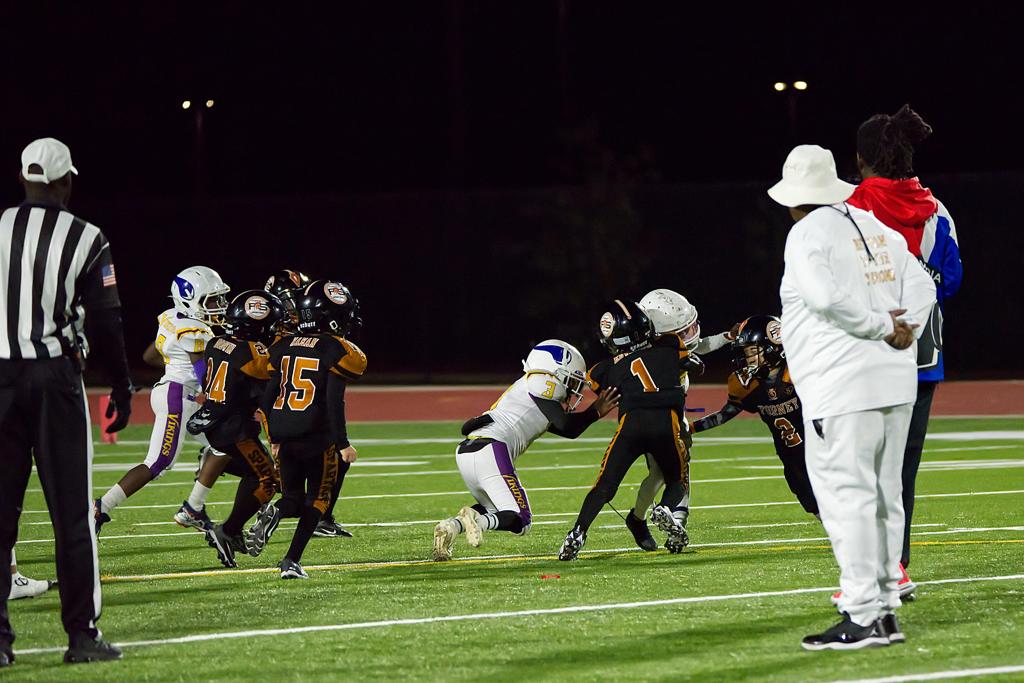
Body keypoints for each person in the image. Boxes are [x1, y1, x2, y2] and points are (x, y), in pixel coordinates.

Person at [769, 144, 936, 650]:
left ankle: (863, 612)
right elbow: (923, 285)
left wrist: (879, 326)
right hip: (895, 382)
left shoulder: (806, 234)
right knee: (885, 495)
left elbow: (823, 298)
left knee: (849, 498)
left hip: (841, 385)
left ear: (792, 198)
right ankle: (884, 608)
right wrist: (906, 327)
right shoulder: (873, 225)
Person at [0, 137, 133, 665]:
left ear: (23, 178)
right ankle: (81, 635)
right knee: (72, 514)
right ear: (65, 182)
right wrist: (121, 384)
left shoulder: (0, 227)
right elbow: (107, 317)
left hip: (0, 377)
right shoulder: (86, 236)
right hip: (55, 379)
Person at [847, 105, 963, 587]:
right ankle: (896, 562)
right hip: (922, 351)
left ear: (860, 159)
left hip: (865, 350)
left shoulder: (852, 207)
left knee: (859, 462)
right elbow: (951, 280)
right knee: (902, 463)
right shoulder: (937, 209)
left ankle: (871, 565)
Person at [433, 340, 619, 561]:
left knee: (496, 510)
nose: (573, 389)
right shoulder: (542, 381)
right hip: (491, 449)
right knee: (521, 519)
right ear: (553, 370)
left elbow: (569, 430)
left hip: (469, 451)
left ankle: (450, 527)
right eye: (571, 380)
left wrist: (594, 413)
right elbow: (566, 426)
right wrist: (595, 411)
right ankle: (477, 522)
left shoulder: (530, 391)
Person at [558, 300, 701, 561]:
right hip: (665, 424)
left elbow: (602, 386)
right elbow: (691, 363)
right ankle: (665, 508)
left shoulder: (604, 369)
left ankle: (577, 532)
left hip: (630, 428)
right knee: (676, 481)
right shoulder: (671, 346)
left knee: (604, 486)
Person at [95, 266, 230, 533]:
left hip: (176, 393)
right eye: (212, 301)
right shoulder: (194, 329)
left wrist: (175, 365)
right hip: (177, 397)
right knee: (158, 463)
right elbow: (205, 376)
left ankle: (193, 508)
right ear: (190, 300)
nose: (218, 306)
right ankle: (100, 507)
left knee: (225, 444)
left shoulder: (172, 318)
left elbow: (150, 356)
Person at [248, 280, 366, 579]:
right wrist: (343, 443)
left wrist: (274, 438)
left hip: (285, 433)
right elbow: (334, 402)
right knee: (318, 501)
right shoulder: (335, 349)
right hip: (317, 435)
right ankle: (291, 561)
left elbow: (268, 397)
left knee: (292, 499)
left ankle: (276, 511)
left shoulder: (282, 346)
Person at [624, 288, 734, 550]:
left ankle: (676, 522)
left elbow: (700, 345)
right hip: (651, 418)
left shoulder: (674, 347)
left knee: (676, 472)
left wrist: (727, 337)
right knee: (658, 475)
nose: (691, 335)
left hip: (674, 418)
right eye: (684, 331)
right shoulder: (651, 356)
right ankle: (638, 518)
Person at [186, 290, 286, 568]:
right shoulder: (252, 353)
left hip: (216, 422)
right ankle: (228, 531)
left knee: (254, 472)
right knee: (268, 480)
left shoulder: (215, 342)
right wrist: (276, 437)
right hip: (235, 428)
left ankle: (212, 462)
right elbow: (268, 394)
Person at [690, 315, 818, 516]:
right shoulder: (749, 386)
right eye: (745, 352)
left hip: (819, 450)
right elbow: (725, 414)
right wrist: (690, 428)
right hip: (792, 458)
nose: (748, 358)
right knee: (810, 502)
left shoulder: (798, 375)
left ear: (773, 347)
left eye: (752, 351)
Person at [265, 269, 357, 539]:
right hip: (277, 414)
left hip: (288, 411)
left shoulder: (298, 334)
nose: (295, 306)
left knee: (332, 463)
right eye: (289, 301)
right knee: (274, 478)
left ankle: (320, 518)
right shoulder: (273, 335)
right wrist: (272, 435)